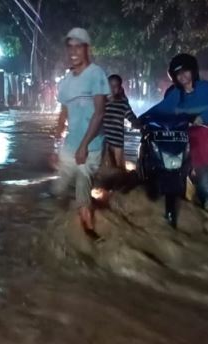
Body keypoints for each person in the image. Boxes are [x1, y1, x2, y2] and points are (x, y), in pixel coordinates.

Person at [143, 54, 208, 207]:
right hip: (197, 148)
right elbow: (160, 109)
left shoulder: (207, 88)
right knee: (206, 189)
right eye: (178, 73)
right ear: (174, 77)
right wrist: (141, 119)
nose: (182, 76)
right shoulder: (175, 95)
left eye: (185, 71)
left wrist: (204, 118)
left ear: (193, 71)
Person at [53, 28, 110, 235]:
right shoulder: (66, 81)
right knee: (58, 191)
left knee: (82, 193)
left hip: (90, 147)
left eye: (79, 46)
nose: (74, 51)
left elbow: (99, 113)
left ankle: (90, 236)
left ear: (87, 49)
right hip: (69, 146)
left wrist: (84, 146)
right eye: (70, 47)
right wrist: (55, 144)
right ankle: (61, 231)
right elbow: (63, 112)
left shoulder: (96, 74)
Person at [103, 74, 140, 170]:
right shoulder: (101, 101)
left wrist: (137, 123)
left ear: (119, 88)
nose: (112, 89)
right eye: (110, 86)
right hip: (104, 140)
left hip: (117, 141)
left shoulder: (122, 102)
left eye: (115, 86)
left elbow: (130, 115)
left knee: (118, 167)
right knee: (105, 166)